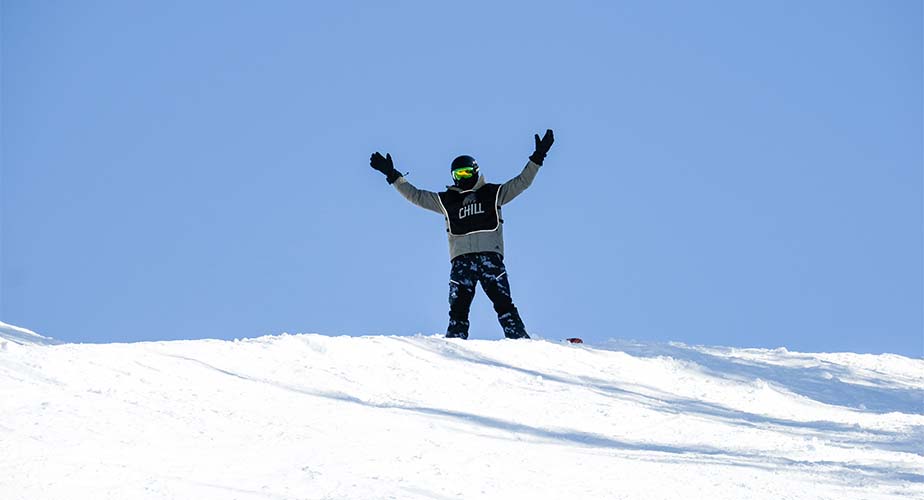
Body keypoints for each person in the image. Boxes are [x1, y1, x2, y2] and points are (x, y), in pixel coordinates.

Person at [369, 129, 554, 340]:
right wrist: (393, 176)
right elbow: (417, 196)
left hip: (489, 258)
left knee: (503, 304)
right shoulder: (448, 201)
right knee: (458, 308)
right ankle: (455, 345)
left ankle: (519, 339)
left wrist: (538, 157)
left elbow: (522, 182)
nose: (463, 178)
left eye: (467, 172)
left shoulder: (493, 193)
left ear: (476, 171)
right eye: (458, 175)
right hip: (462, 262)